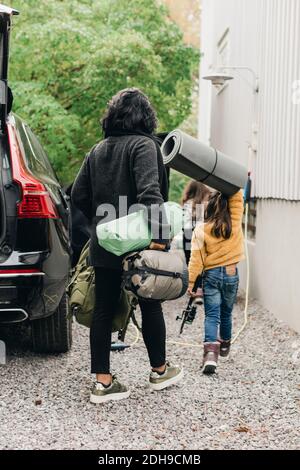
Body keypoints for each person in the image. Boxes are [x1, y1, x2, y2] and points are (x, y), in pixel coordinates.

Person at [71, 88, 183, 403]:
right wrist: (160, 238)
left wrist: (103, 223)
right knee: (150, 302)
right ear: (146, 117)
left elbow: (78, 195)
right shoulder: (145, 146)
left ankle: (103, 383)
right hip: (139, 244)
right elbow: (151, 194)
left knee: (104, 306)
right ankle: (160, 371)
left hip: (105, 242)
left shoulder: (98, 149)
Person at [188, 189, 244, 374]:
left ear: (208, 208)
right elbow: (236, 196)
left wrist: (191, 283)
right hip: (231, 273)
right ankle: (225, 343)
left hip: (210, 275)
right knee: (226, 313)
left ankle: (211, 355)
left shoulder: (200, 229)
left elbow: (196, 260)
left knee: (212, 315)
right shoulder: (234, 222)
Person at [181, 180, 211, 264]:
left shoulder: (186, 203)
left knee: (189, 261)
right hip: (196, 235)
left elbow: (183, 222)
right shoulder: (201, 205)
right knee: (197, 261)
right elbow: (201, 225)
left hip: (186, 236)